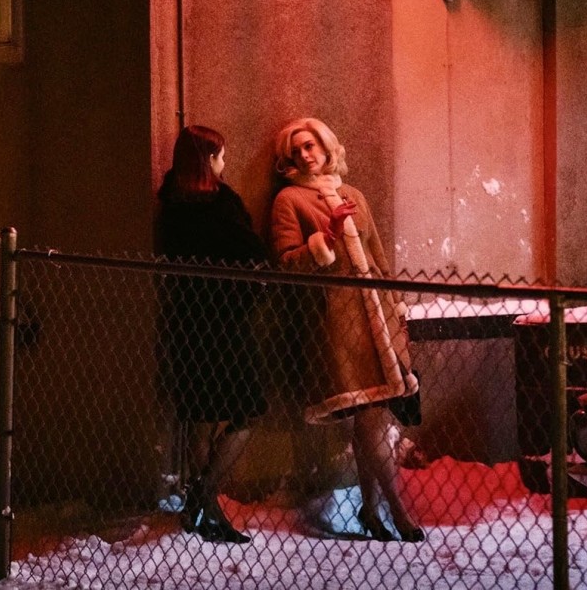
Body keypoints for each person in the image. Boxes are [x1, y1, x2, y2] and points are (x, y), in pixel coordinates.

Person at [269, 117, 424, 543]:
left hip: (376, 315)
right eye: (296, 149)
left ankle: (372, 510)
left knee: (371, 419)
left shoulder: (353, 194)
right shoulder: (289, 200)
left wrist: (395, 305)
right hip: (336, 324)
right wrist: (327, 237)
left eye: (310, 145)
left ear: (326, 145)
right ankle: (396, 511)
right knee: (370, 416)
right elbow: (286, 262)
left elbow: (377, 253)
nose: (305, 153)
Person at [156, 124, 269, 544]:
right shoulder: (221, 206)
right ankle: (205, 500)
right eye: (220, 155)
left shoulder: (171, 205)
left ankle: (203, 506)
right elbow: (252, 253)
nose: (226, 162)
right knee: (246, 411)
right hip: (227, 322)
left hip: (188, 323)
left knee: (201, 421)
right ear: (208, 160)